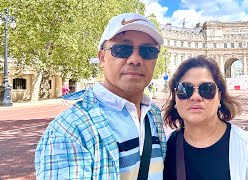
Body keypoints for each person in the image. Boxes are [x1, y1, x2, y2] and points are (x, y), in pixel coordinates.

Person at [35, 13, 166, 179]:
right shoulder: (69, 130)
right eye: (122, 49)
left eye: (148, 51)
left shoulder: (153, 114)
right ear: (102, 57)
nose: (135, 59)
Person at [162, 56, 248, 180]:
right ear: (175, 97)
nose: (195, 97)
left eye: (206, 89)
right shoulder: (163, 149)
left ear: (219, 96)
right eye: (185, 89)